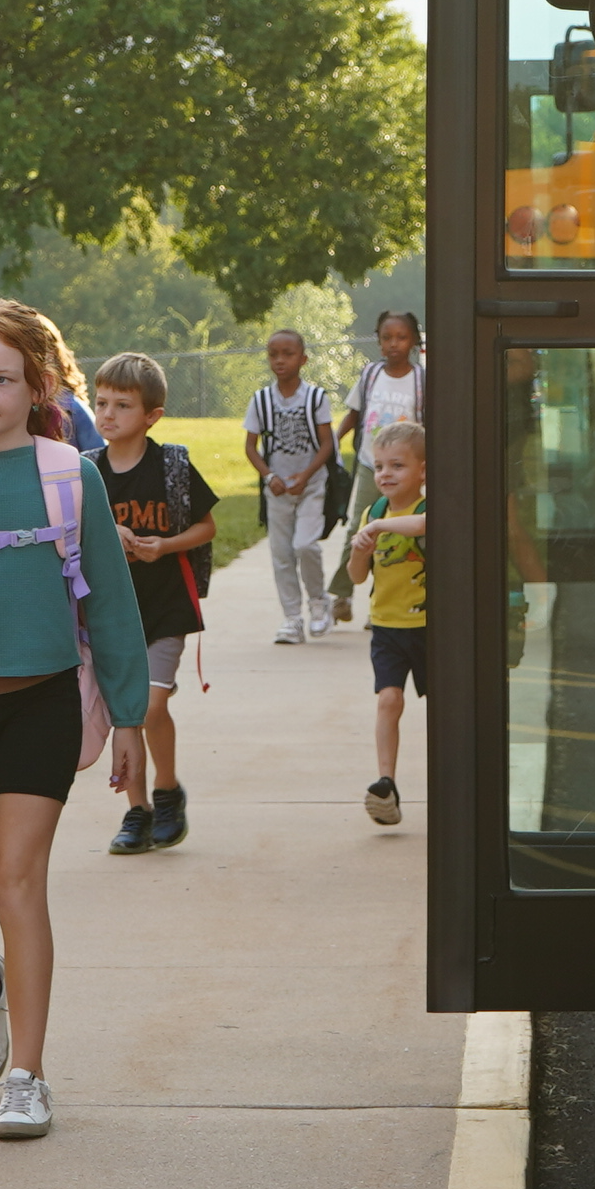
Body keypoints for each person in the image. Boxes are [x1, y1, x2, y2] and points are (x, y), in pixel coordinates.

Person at [0, 300, 152, 1143]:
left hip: (44, 700)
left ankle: (29, 1074)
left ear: (35, 384)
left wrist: (129, 717)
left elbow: (112, 604)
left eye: (1, 378)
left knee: (19, 881)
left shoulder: (67, 473)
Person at [88, 352, 219, 855]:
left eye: (122, 405)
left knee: (150, 705)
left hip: (164, 607)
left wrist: (163, 545)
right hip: (112, 614)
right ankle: (136, 810)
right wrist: (107, 532)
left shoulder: (172, 466)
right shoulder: (87, 472)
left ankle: (167, 791)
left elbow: (206, 526)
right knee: (128, 711)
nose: (108, 415)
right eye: (101, 403)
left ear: (151, 416)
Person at [345, 422, 428, 826]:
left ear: (424, 471)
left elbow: (422, 527)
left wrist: (376, 528)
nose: (385, 475)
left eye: (397, 465)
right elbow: (358, 576)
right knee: (388, 700)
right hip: (387, 627)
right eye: (379, 466)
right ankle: (386, 783)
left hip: (430, 626)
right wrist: (360, 550)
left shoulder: (427, 508)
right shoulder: (372, 512)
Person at [239, 330, 337, 644]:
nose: (280, 360)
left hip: (310, 486)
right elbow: (251, 447)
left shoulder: (316, 398)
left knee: (305, 545)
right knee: (281, 554)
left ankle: (319, 603)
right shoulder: (261, 400)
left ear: (303, 359)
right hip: (278, 489)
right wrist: (271, 477)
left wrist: (305, 476)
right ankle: (292, 619)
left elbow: (327, 445)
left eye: (288, 354)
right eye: (273, 354)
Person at [329, 312, 425, 627]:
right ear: (379, 341)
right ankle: (342, 594)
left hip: (408, 469)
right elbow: (354, 415)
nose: (394, 343)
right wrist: (333, 442)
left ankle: (382, 599)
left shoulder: (421, 379)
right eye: (387, 337)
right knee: (362, 526)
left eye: (401, 337)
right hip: (373, 465)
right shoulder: (370, 375)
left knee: (402, 528)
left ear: (413, 341)